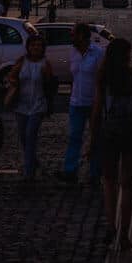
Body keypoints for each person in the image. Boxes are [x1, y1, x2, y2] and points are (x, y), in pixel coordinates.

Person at [89, 38, 132, 250]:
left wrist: (92, 139)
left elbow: (97, 112)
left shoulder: (103, 80)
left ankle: (111, 225)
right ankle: (124, 235)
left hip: (109, 135)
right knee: (127, 185)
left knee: (109, 183)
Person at [57, 23, 104, 185]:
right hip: (76, 102)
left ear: (83, 36)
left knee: (96, 137)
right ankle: (70, 170)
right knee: (74, 137)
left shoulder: (98, 54)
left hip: (93, 102)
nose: (71, 38)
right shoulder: (73, 52)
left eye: (73, 35)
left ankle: (95, 172)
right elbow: (74, 76)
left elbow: (101, 81)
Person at [6, 33, 53, 181]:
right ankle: (33, 161)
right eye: (33, 45)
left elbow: (50, 85)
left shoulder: (46, 64)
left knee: (30, 135)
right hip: (21, 105)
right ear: (28, 47)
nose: (36, 48)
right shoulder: (22, 61)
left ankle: (28, 172)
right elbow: (11, 76)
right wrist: (14, 83)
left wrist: (47, 78)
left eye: (39, 45)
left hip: (38, 105)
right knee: (23, 138)